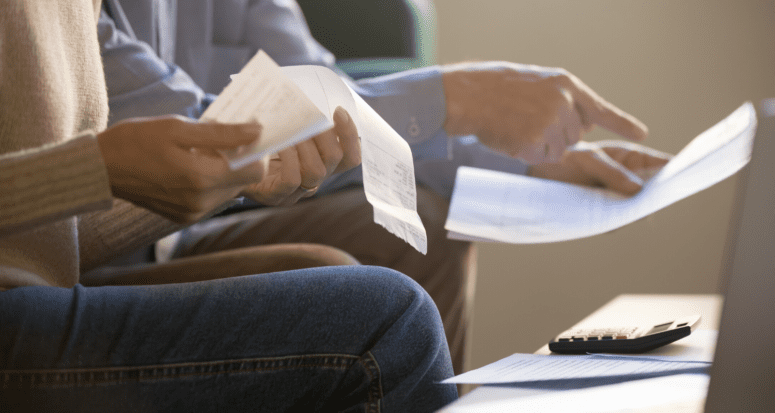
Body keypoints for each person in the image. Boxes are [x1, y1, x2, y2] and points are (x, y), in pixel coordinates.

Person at [96, 0, 673, 375]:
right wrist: (457, 97)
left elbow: (325, 102)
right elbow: (193, 141)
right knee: (342, 284)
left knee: (418, 229)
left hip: (174, 238)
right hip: (92, 251)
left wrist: (533, 164)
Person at [0, 1, 457, 411]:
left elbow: (51, 232)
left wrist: (225, 181)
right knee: (388, 318)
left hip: (48, 289)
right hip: (25, 309)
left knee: (356, 271)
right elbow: (111, 161)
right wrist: (95, 171)